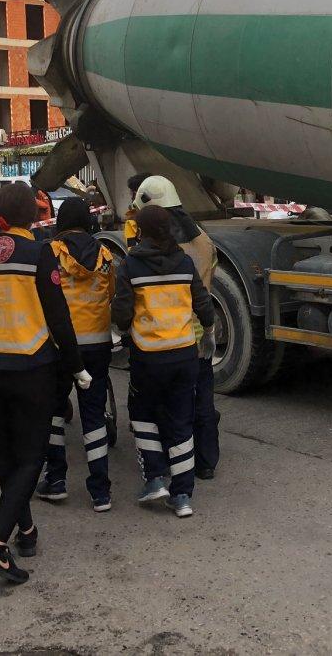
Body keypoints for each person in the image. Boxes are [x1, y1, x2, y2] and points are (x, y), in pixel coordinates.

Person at [0, 182, 89, 583]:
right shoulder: (39, 253)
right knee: (32, 456)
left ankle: (27, 529)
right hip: (30, 366)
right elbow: (58, 316)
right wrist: (76, 366)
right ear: (33, 216)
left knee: (7, 454)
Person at [112, 205, 214, 518]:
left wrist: (123, 328)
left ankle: (155, 478)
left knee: (142, 413)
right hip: (184, 354)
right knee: (182, 420)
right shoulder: (185, 262)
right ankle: (182, 496)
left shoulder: (131, 265)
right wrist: (208, 333)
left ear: (141, 231)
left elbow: (121, 313)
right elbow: (203, 304)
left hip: (148, 357)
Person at [135, 176, 221, 480]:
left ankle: (170, 462)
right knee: (203, 399)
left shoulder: (158, 247)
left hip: (162, 340)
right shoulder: (203, 241)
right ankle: (206, 462)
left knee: (166, 405)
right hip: (198, 335)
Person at [35, 197, 116, 511]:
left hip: (59, 345)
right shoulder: (105, 254)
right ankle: (101, 492)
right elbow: (110, 293)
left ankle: (56, 481)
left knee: (55, 412)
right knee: (94, 415)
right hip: (97, 345)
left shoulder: (51, 252)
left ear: (60, 221)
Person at [123, 173, 151, 248]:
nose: (131, 197)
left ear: (136, 194)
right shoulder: (169, 215)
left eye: (131, 193)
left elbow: (131, 250)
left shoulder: (132, 221)